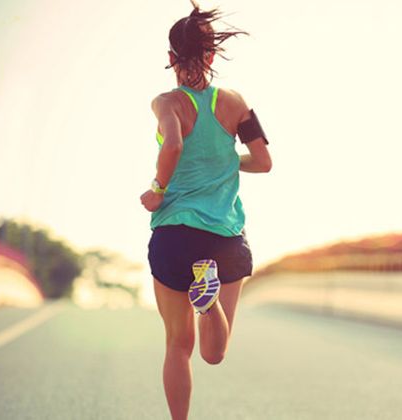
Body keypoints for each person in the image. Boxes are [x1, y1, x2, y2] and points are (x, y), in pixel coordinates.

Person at [139, 2, 271, 419]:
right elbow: (263, 161)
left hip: (175, 234)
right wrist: (229, 162)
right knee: (215, 352)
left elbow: (174, 144)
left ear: (170, 59)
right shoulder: (235, 103)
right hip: (225, 237)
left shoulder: (167, 103)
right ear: (212, 56)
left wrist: (158, 189)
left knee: (178, 346)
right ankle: (208, 301)